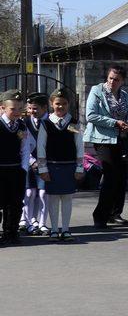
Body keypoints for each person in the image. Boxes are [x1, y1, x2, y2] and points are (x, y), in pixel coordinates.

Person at [84, 64, 128, 229]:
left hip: (121, 140)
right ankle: (100, 215)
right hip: (103, 139)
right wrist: (115, 122)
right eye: (111, 78)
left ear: (122, 81)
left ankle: (115, 213)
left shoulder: (126, 97)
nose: (113, 82)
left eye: (117, 80)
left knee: (122, 177)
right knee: (110, 176)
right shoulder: (97, 91)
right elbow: (91, 115)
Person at [40, 91, 80, 241]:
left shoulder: (73, 122)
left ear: (68, 105)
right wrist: (43, 168)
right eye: (57, 103)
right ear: (52, 104)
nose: (60, 106)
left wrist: (80, 167)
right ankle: (54, 229)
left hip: (69, 166)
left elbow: (79, 145)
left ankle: (66, 229)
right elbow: (41, 147)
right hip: (52, 166)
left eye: (64, 103)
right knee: (53, 198)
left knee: (67, 197)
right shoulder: (47, 123)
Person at [0, 91, 36, 245]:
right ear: (2, 108)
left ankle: (11, 232)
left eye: (20, 109)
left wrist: (24, 167)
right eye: (12, 109)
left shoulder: (21, 125)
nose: (16, 112)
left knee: (15, 203)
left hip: (16, 170)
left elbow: (27, 146)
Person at [22, 93, 48, 234]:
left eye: (35, 108)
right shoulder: (25, 122)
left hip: (45, 163)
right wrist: (32, 161)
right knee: (29, 193)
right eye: (30, 108)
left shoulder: (50, 122)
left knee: (43, 194)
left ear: (45, 108)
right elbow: (24, 144)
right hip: (29, 162)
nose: (32, 111)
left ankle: (42, 222)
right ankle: (29, 221)